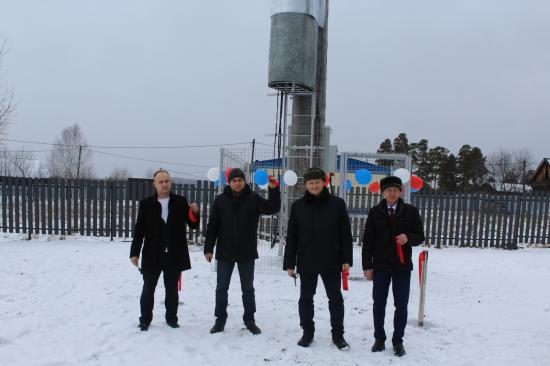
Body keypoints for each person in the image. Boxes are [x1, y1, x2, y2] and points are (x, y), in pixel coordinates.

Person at [204, 168, 281, 335]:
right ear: (229, 182)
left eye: (240, 179)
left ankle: (250, 320)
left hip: (246, 252)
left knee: (248, 288)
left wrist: (274, 189)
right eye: (234, 180)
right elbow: (213, 226)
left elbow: (272, 207)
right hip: (225, 252)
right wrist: (208, 248)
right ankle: (220, 320)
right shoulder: (220, 200)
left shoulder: (253, 198)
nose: (237, 183)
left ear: (244, 181)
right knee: (221, 288)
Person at [283, 167, 353, 350]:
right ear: (306, 184)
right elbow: (292, 236)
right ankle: (307, 332)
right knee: (306, 298)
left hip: (332, 260)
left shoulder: (337, 204)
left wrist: (346, 259)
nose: (314, 185)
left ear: (324, 183)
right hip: (307, 261)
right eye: (311, 183)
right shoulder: (298, 206)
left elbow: (346, 234)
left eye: (317, 182)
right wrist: (289, 263)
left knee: (335, 299)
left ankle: (338, 335)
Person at [362, 175, 425, 357]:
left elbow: (420, 235)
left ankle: (398, 341)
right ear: (382, 193)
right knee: (378, 304)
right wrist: (367, 266)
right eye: (388, 190)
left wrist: (409, 238)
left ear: (400, 192)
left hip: (402, 267)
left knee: (401, 305)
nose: (392, 193)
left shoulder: (411, 212)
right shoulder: (375, 212)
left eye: (395, 190)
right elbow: (368, 241)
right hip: (381, 266)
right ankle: (379, 339)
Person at [130, 169, 200, 331]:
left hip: (174, 254)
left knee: (171, 289)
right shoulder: (146, 204)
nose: (164, 184)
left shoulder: (181, 202)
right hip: (152, 254)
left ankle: (171, 319)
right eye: (160, 181)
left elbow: (193, 224)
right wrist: (134, 253)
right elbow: (139, 231)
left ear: (170, 183)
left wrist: (195, 213)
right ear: (155, 184)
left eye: (167, 181)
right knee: (148, 288)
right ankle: (145, 320)